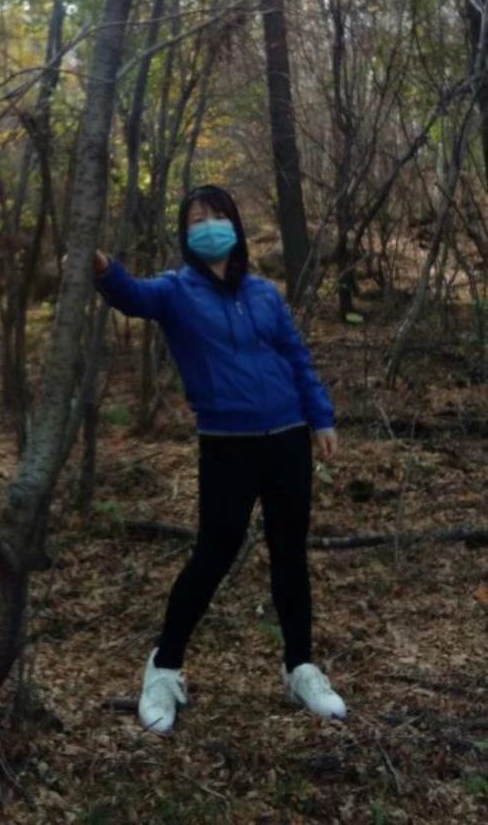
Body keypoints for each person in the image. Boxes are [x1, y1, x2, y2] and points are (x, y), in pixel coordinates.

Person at [94, 183, 346, 735]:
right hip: (227, 443)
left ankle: (300, 667)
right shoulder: (175, 291)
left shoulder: (264, 294)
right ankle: (164, 669)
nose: (208, 225)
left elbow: (296, 357)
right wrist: (103, 269)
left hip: (288, 436)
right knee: (213, 554)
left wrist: (321, 416)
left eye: (216, 215)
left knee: (290, 554)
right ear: (185, 234)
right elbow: (132, 297)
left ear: (234, 224)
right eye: (196, 219)